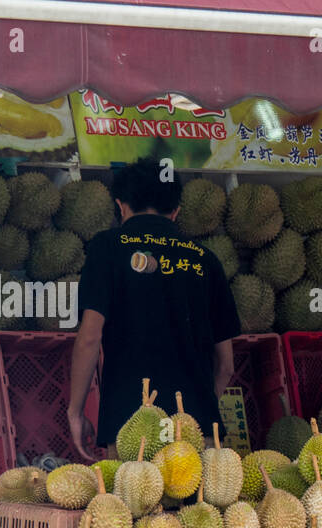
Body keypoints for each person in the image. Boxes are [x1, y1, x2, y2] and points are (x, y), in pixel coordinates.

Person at [68, 161, 238, 460]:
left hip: (128, 426)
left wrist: (76, 411)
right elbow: (226, 365)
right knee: (197, 508)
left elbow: (90, 338)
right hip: (197, 427)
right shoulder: (206, 260)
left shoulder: (107, 247)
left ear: (121, 207)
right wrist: (198, 407)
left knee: (134, 504)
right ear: (175, 212)